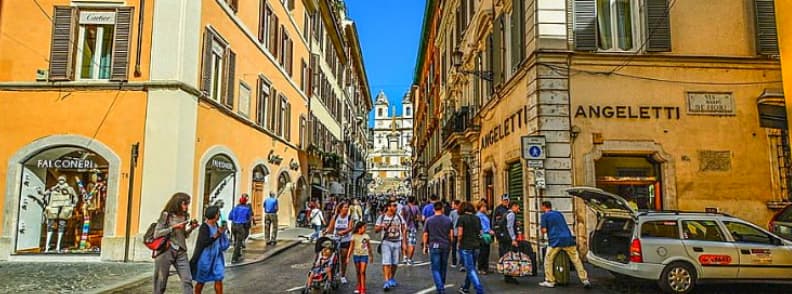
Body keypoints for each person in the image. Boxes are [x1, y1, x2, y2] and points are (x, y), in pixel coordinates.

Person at [152, 192, 199, 294]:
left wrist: (191, 228)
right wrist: (173, 228)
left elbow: (184, 235)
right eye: (185, 204)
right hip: (165, 250)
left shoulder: (185, 216)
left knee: (187, 279)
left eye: (188, 204)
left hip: (181, 251)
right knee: (160, 283)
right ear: (178, 203)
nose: (187, 207)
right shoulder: (166, 215)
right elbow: (157, 234)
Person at [538, 201, 591, 288]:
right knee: (576, 260)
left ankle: (550, 280)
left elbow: (544, 230)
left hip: (555, 240)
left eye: (541, 207)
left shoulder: (544, 216)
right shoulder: (559, 213)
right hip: (568, 239)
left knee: (548, 260)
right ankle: (585, 279)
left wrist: (542, 230)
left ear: (544, 207)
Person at [191, 206, 230, 294]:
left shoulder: (216, 225)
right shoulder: (204, 227)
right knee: (201, 281)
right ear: (215, 215)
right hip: (205, 257)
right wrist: (217, 235)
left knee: (219, 278)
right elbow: (204, 242)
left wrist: (222, 232)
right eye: (218, 213)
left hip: (217, 256)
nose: (219, 215)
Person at [375, 200, 406, 291]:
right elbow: (376, 229)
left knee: (395, 263)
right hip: (386, 242)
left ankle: (391, 277)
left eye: (396, 206)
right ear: (388, 207)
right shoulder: (382, 217)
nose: (396, 207)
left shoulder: (399, 217)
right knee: (386, 262)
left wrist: (404, 241)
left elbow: (404, 228)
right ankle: (386, 281)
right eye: (394, 206)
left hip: (397, 242)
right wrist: (381, 227)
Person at [422, 201, 452, 294]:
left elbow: (426, 234)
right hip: (445, 245)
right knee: (443, 267)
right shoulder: (448, 220)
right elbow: (451, 234)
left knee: (435, 268)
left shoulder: (429, 220)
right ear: (442, 209)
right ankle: (441, 284)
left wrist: (424, 246)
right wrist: (450, 244)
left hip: (434, 245)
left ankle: (440, 288)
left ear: (434, 209)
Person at [324, 201, 355, 285]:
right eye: (345, 207)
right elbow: (330, 228)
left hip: (345, 240)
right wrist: (325, 232)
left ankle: (343, 275)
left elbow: (350, 228)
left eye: (347, 207)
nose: (346, 209)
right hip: (335, 239)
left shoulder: (349, 218)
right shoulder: (336, 216)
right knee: (330, 256)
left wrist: (343, 232)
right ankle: (332, 271)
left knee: (343, 259)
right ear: (340, 208)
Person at [456, 202, 484, 294]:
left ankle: (479, 290)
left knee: (470, 269)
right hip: (476, 246)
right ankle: (465, 287)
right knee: (470, 268)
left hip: (466, 246)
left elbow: (460, 233)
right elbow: (481, 233)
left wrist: (459, 242)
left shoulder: (461, 218)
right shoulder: (477, 218)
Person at [496, 202, 521, 284]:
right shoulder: (511, 214)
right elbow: (509, 227)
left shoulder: (506, 214)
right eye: (517, 207)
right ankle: (509, 276)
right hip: (508, 239)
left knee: (506, 256)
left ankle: (507, 275)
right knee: (509, 256)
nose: (518, 209)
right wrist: (513, 239)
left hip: (504, 238)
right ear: (513, 206)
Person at [347, 222, 373, 294]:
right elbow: (351, 247)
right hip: (356, 255)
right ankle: (359, 285)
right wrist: (348, 256)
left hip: (364, 255)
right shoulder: (354, 236)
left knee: (362, 271)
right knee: (358, 271)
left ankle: (363, 288)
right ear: (359, 228)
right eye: (364, 227)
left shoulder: (366, 236)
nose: (365, 229)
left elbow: (369, 247)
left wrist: (371, 256)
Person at [228, 197, 252, 263]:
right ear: (245, 202)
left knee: (235, 240)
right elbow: (248, 218)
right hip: (240, 226)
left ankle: (238, 254)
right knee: (239, 242)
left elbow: (229, 217)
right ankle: (234, 258)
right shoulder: (247, 209)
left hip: (233, 225)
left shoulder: (235, 208)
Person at [476, 200, 493, 275]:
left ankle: (486, 267)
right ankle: (481, 268)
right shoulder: (479, 215)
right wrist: (488, 231)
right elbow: (481, 226)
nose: (485, 208)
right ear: (480, 207)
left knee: (486, 252)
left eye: (485, 206)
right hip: (483, 235)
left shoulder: (484, 215)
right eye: (484, 206)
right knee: (483, 252)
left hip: (487, 235)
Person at [402, 196, 421, 265]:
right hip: (412, 227)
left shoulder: (404, 207)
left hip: (405, 227)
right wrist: (415, 220)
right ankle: (409, 259)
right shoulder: (416, 207)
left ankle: (404, 257)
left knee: (404, 241)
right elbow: (419, 218)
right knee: (412, 243)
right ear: (414, 201)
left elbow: (402, 217)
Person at [448, 200, 461, 269]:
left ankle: (454, 262)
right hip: (461, 233)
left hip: (454, 232)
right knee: (461, 248)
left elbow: (450, 223)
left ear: (456, 205)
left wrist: (450, 233)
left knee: (453, 248)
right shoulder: (462, 212)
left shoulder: (452, 213)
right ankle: (462, 263)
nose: (451, 205)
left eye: (453, 204)